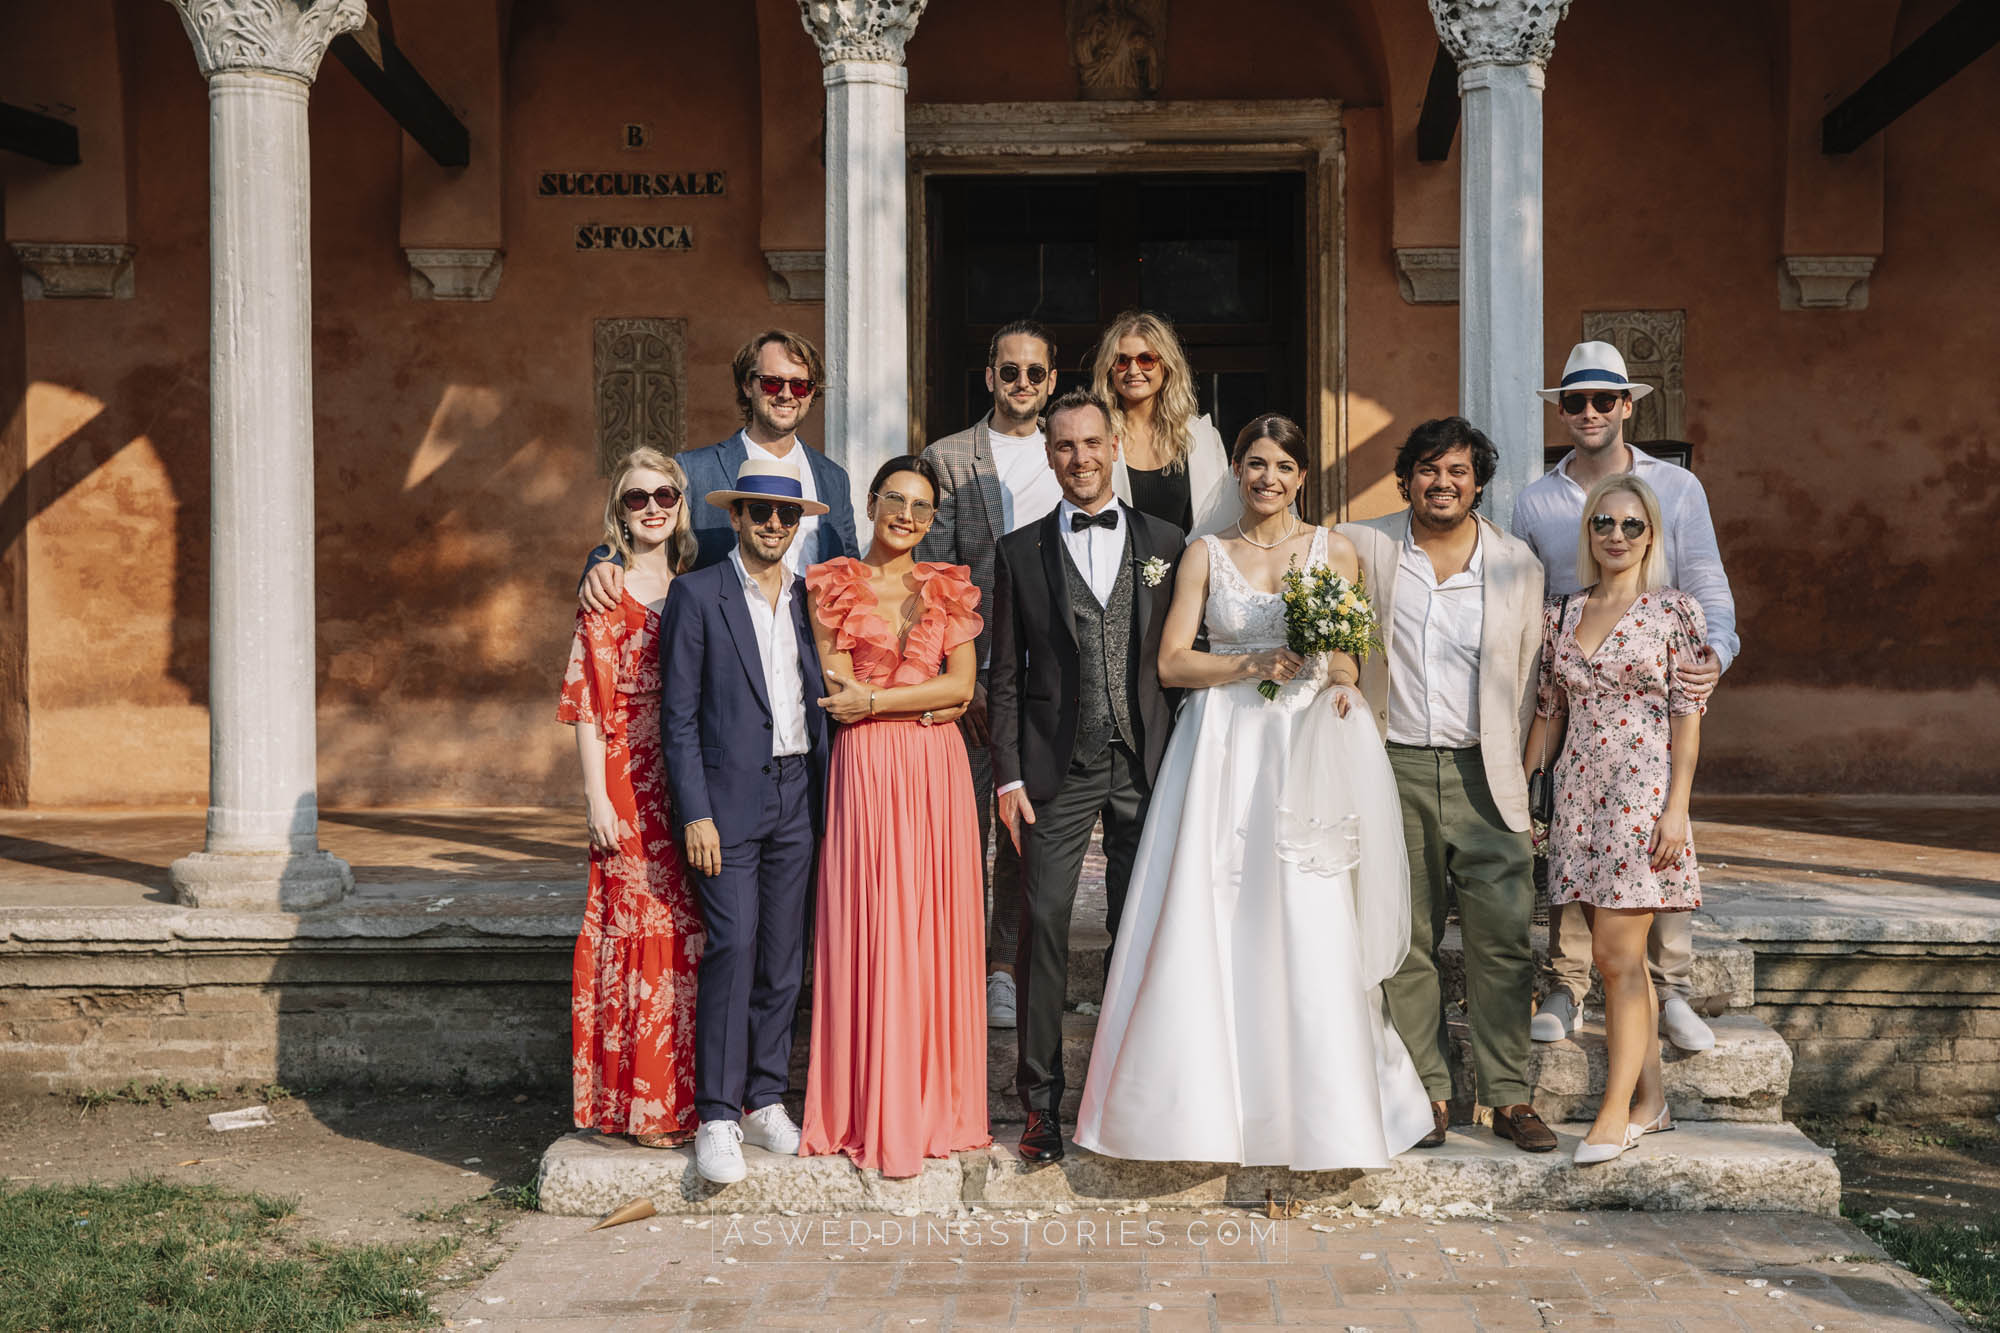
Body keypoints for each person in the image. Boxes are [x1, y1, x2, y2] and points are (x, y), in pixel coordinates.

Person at [1074, 414, 1434, 1168]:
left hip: (1301, 742)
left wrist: (1340, 687)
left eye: (1283, 466)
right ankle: (1196, 1110)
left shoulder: (1333, 551)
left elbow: (1343, 657)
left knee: (1303, 904)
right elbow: (1173, 662)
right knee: (1213, 901)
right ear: (1235, 468)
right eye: (1255, 462)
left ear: (1303, 477)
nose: (1269, 477)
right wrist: (1248, 665)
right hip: (1221, 746)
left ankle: (1322, 1113)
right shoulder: (1205, 554)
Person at [1513, 340, 1739, 1054]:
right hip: (1571, 673)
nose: (1587, 411)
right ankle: (1566, 982)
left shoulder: (1675, 488)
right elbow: (1523, 599)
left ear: (1626, 406)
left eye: (1601, 399)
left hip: (1651, 685)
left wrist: (1715, 656)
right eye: (1574, 401)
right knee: (1573, 833)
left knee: (1656, 838)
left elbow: (1706, 578)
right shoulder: (1536, 499)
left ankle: (1670, 989)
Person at [1338, 417, 1556, 1155]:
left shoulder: (1518, 566)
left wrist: (1526, 777)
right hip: (1391, 764)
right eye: (1428, 469)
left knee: (1503, 940)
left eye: (1457, 471)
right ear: (1406, 480)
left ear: (1479, 481)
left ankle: (1507, 1094)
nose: (1442, 482)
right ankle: (1425, 1089)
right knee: (1406, 936)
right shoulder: (1362, 545)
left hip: (1485, 773)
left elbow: (1534, 680)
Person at [988, 387, 1186, 1164]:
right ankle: (1040, 1105)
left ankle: (1137, 1097)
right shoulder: (1019, 551)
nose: (1080, 458)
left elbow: (1183, 657)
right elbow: (1005, 674)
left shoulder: (1168, 538)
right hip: (1054, 772)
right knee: (1039, 925)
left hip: (1147, 764)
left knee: (1144, 931)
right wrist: (1007, 775)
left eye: (1092, 443)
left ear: (1114, 448)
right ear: (1049, 455)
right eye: (1064, 446)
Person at [799, 456, 990, 1177]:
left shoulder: (949, 585)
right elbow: (838, 686)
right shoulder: (831, 583)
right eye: (895, 500)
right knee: (873, 922)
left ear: (933, 519)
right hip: (868, 770)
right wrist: (922, 698)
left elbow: (964, 683)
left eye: (921, 506)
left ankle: (936, 1101)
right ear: (872, 503)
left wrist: (883, 702)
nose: (906, 515)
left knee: (932, 924)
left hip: (936, 772)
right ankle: (868, 1104)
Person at [1522, 474, 1707, 1164]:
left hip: (1641, 800)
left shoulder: (1674, 613)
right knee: (1615, 959)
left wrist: (1677, 809)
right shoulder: (1562, 613)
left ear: (1650, 535)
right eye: (1605, 523)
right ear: (1589, 533)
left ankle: (1614, 1111)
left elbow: (1688, 720)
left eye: (1632, 524)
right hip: (1578, 800)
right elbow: (1551, 708)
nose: (1617, 535)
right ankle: (1653, 1101)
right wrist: (1523, 787)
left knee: (1616, 958)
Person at [657, 458, 832, 1184]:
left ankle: (765, 1097)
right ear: (735, 517)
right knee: (732, 944)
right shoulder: (697, 594)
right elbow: (678, 716)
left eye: (785, 515)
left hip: (799, 789)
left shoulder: (813, 598)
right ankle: (718, 1113)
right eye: (759, 512)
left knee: (784, 955)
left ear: (798, 525)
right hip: (726, 800)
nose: (772, 524)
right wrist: (694, 810)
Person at [918, 318, 1064, 1032]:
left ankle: (1004, 966)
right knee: (962, 822)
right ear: (989, 377)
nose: (1022, 385)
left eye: (1035, 373)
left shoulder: (1074, 454)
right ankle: (955, 961)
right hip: (976, 674)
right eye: (1010, 371)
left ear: (1053, 381)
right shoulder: (948, 459)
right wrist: (962, 676)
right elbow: (935, 578)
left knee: (1024, 826)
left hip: (1050, 678)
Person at [559, 448, 703, 1148]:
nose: (652, 507)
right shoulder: (603, 589)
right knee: (632, 930)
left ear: (681, 505)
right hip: (622, 773)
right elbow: (586, 703)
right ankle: (633, 1108)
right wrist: (595, 797)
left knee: (679, 933)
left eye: (665, 495)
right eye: (637, 498)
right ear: (618, 512)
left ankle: (676, 1099)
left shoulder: (699, 588)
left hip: (685, 775)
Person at [580, 329, 860, 612]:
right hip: (723, 645)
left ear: (812, 393)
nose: (786, 394)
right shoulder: (695, 469)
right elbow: (645, 528)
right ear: (747, 386)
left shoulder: (833, 478)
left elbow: (851, 569)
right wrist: (604, 563)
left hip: (812, 646)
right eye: (772, 383)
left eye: (800, 385)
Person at [1090, 310, 1242, 537]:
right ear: (1109, 370)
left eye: (1146, 359)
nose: (1133, 370)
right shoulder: (1095, 436)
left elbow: (1223, 518)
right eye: (1122, 361)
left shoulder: (1201, 436)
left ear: (1166, 366)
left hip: (1188, 569)